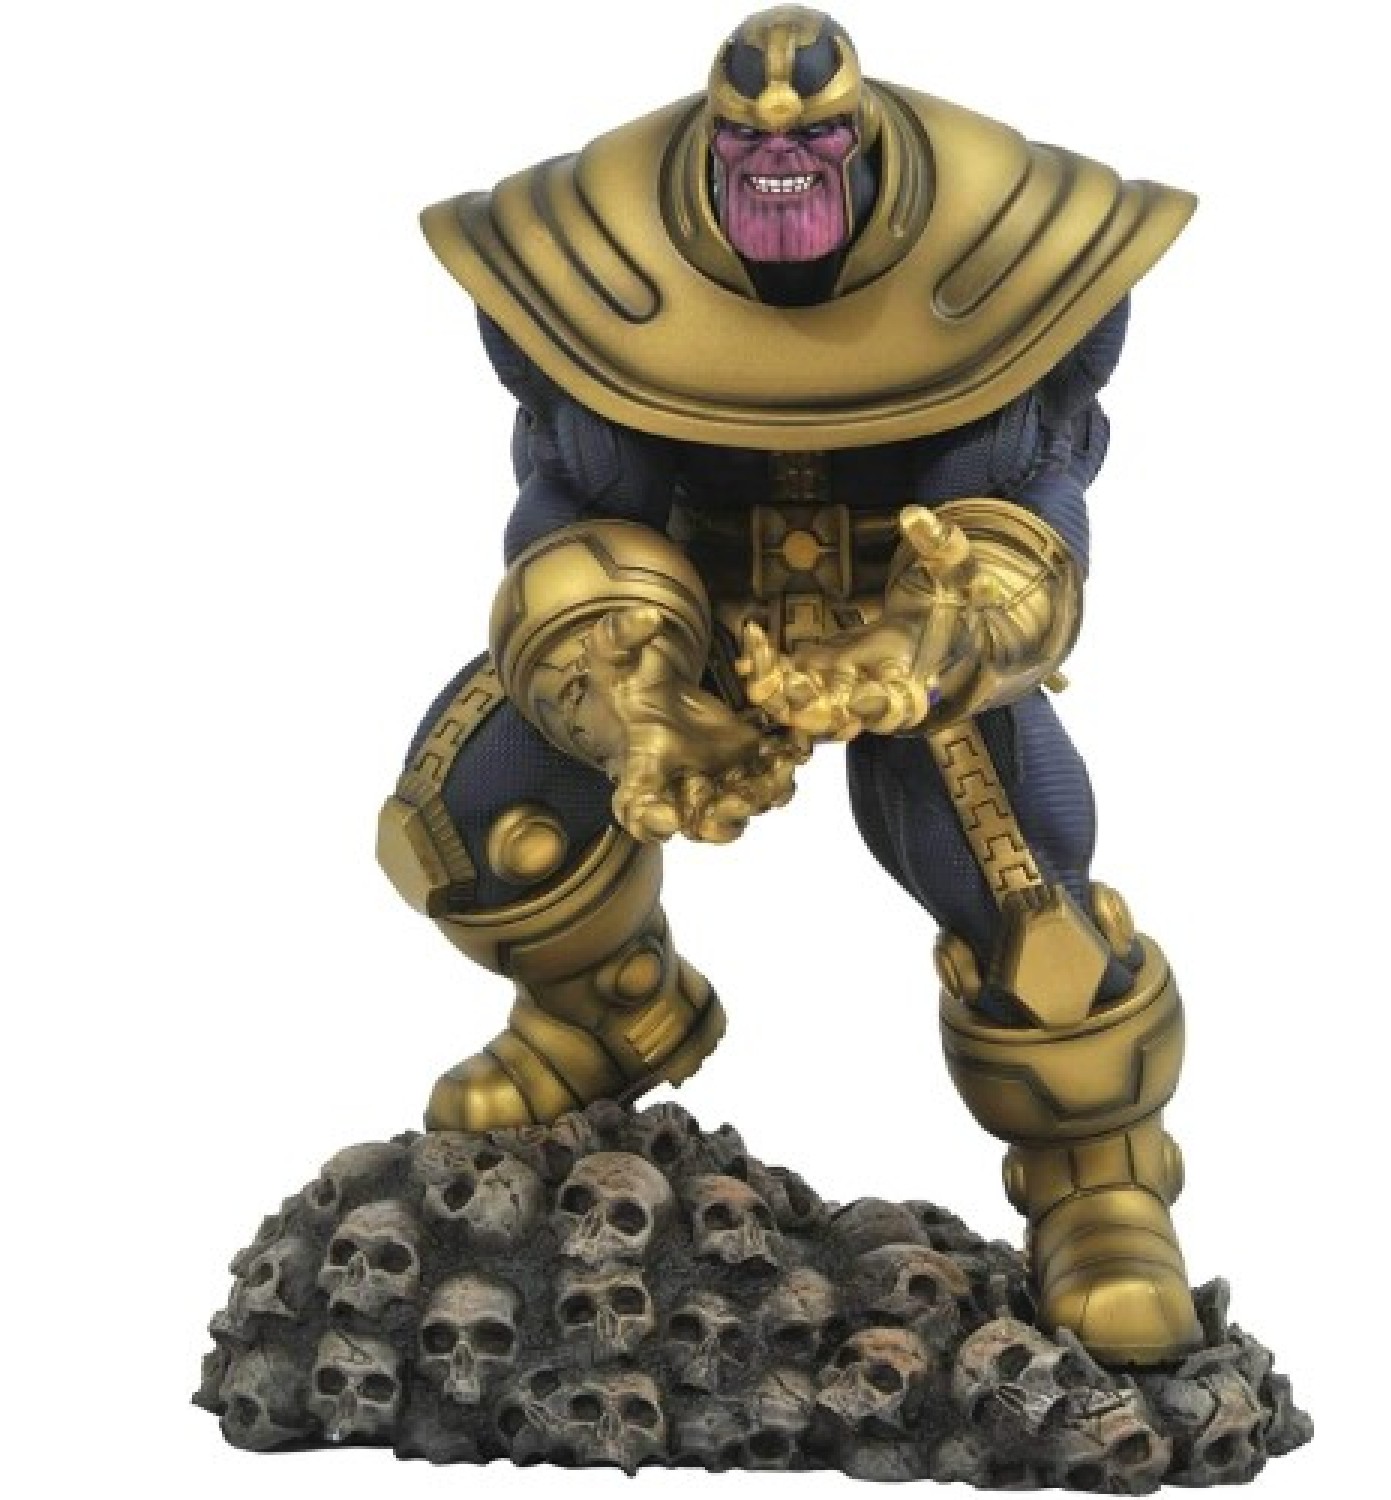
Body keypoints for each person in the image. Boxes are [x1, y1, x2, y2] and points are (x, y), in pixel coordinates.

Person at [377, 5, 1203, 1366]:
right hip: (681, 614)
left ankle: (1099, 1184)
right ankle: (611, 1008)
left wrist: (936, 641)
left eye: (810, 140)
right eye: (750, 144)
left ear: (857, 140)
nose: (778, 162)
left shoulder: (1008, 239)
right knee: (473, 820)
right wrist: (634, 698)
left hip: (910, 628)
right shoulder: (592, 249)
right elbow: (576, 503)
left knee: (1028, 904)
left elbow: (1028, 503)